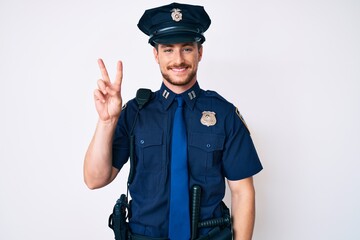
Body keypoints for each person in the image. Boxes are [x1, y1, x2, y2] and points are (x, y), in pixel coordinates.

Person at [84, 2, 263, 240]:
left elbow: (242, 192)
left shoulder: (224, 114)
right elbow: (95, 179)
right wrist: (107, 121)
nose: (178, 59)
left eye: (187, 48)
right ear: (156, 54)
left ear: (200, 52)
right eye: (168, 49)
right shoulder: (135, 112)